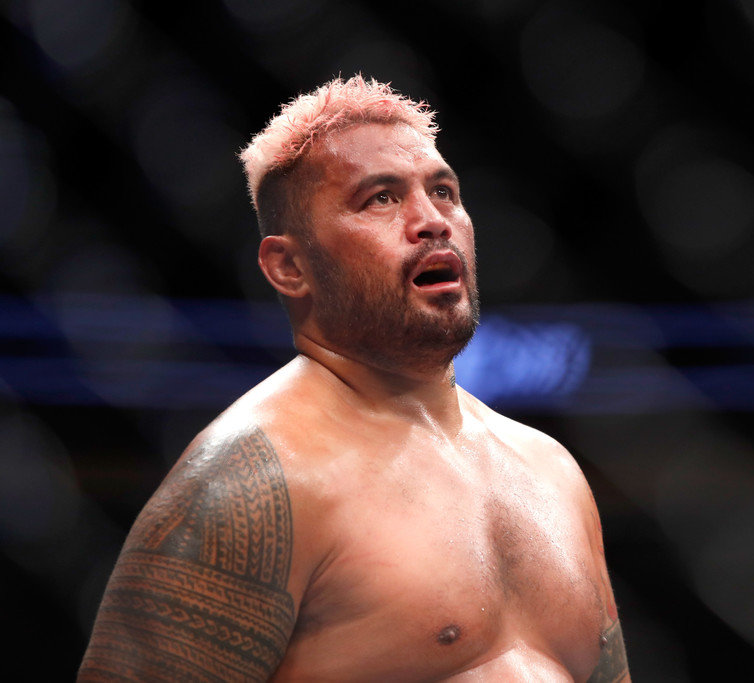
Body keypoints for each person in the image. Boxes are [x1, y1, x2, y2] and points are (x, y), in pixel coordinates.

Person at [78, 74, 630, 682]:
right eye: (381, 199)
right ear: (289, 266)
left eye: (444, 191)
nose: (431, 221)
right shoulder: (254, 482)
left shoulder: (550, 471)